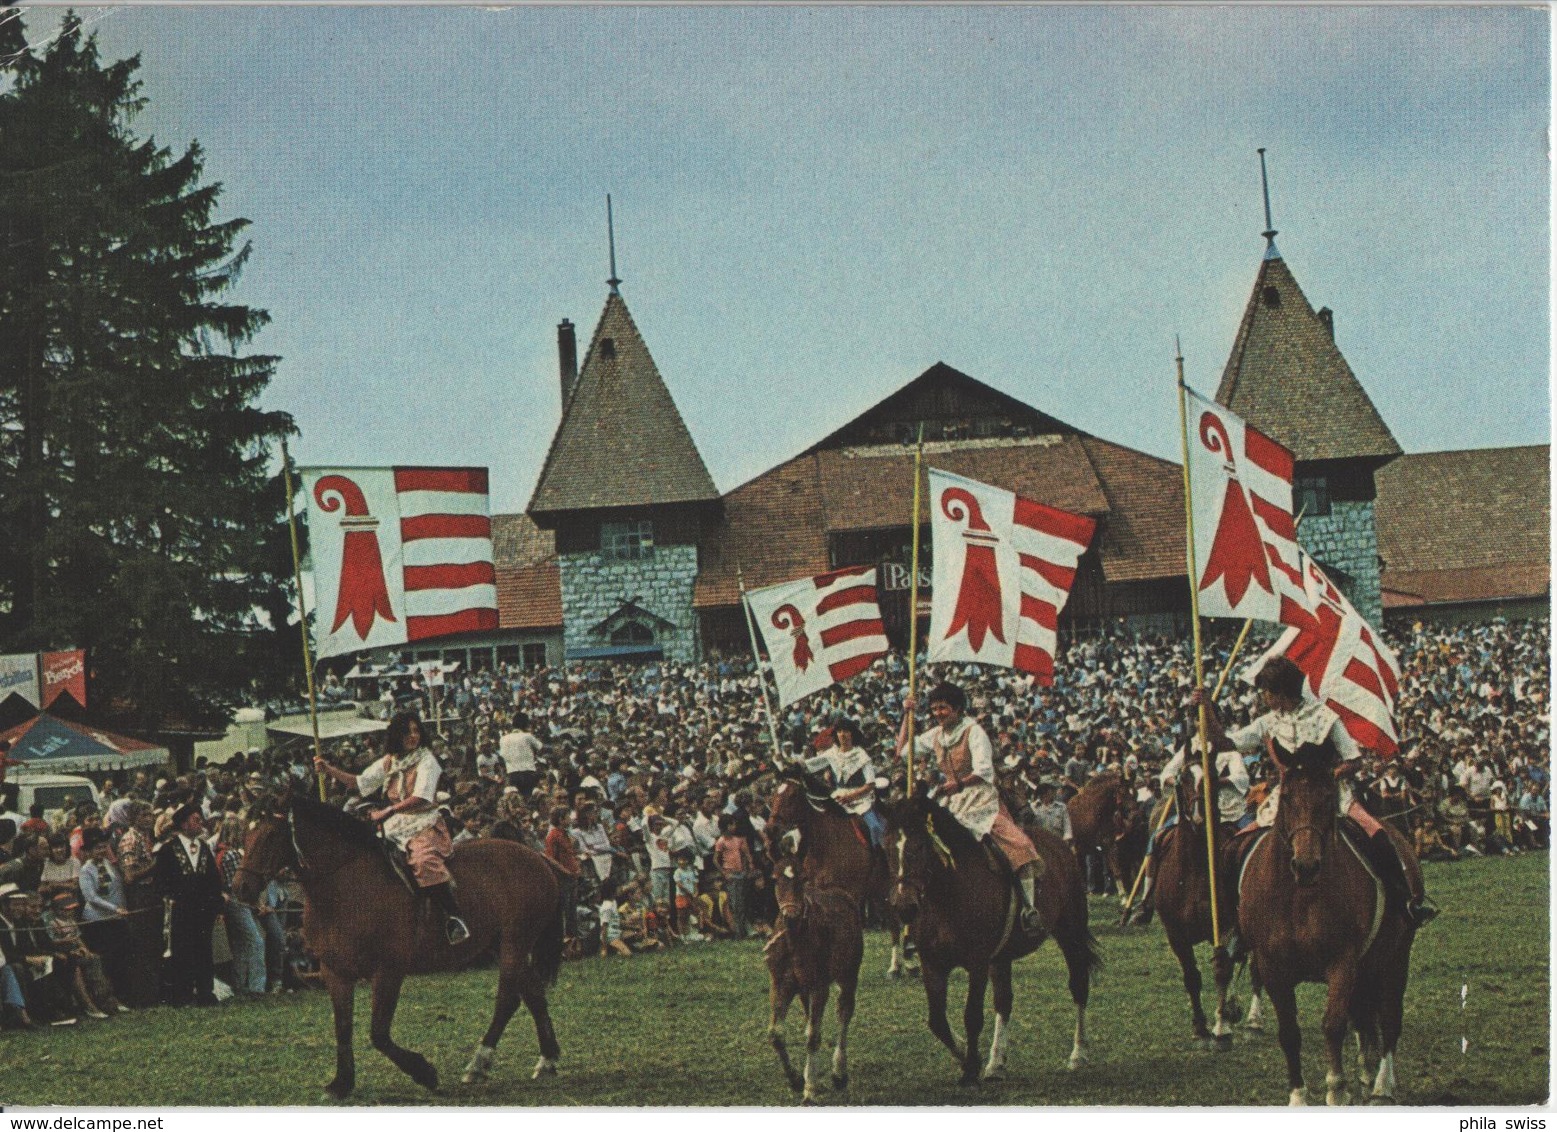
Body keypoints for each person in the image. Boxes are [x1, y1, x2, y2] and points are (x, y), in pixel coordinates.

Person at [1191, 657, 1437, 927]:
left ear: (1281, 692)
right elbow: (1226, 741)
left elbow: (1354, 760)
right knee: (1232, 849)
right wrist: (1206, 711)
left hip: (1331, 795)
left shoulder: (1325, 718)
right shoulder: (1267, 723)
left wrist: (1330, 776)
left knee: (1376, 834)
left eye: (1266, 692)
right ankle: (1237, 925)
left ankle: (1406, 904)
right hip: (1286, 799)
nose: (1263, 698)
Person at [897, 681, 1044, 934]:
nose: (938, 714)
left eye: (943, 708)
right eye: (934, 709)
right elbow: (902, 752)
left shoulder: (974, 732)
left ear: (957, 709)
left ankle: (1029, 908)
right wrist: (907, 714)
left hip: (979, 798)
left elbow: (984, 770)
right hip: (951, 800)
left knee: (1019, 845)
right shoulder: (936, 735)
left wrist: (958, 783)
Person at [315, 711, 471, 944]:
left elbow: (421, 797)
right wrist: (329, 770)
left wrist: (388, 810)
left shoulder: (427, 760)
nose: (413, 736)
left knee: (422, 861)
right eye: (407, 731)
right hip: (395, 823)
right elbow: (360, 782)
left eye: (416, 730)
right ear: (397, 735)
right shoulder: (390, 761)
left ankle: (454, 917)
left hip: (423, 822)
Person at [153, 802, 226, 1005]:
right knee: (182, 951)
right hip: (181, 909)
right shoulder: (168, 850)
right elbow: (161, 881)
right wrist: (171, 899)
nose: (200, 823)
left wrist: (217, 905)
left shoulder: (203, 848)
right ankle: (182, 994)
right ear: (184, 824)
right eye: (195, 820)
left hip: (203, 909)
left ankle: (205, 992)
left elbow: (213, 879)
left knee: (204, 950)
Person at [804, 718, 887, 846]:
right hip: (838, 797)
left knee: (875, 826)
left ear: (852, 733)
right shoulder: (832, 753)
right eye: (839, 731)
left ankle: (879, 855)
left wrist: (850, 796)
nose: (842, 734)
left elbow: (870, 784)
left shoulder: (861, 755)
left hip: (860, 799)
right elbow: (810, 765)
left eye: (846, 731)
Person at [499, 713, 544, 795]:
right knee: (530, 799)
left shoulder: (503, 739)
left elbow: (502, 756)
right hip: (528, 773)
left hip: (512, 774)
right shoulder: (527, 736)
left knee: (516, 801)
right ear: (526, 724)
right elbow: (540, 747)